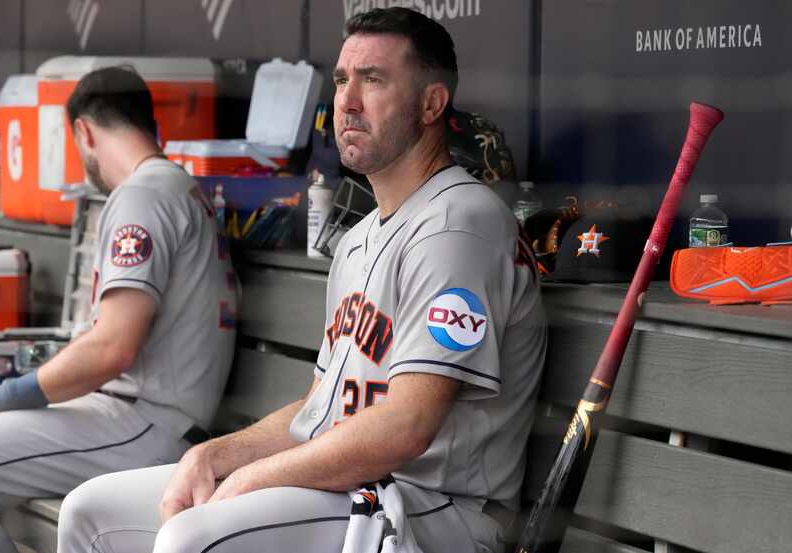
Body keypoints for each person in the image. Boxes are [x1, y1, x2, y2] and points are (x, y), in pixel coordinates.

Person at [57, 8, 546, 553]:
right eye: (342, 80)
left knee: (194, 538)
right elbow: (320, 411)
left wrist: (252, 479)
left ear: (432, 103)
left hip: (435, 507)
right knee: (90, 511)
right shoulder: (358, 240)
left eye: (374, 80)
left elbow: (408, 425)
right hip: (354, 489)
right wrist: (214, 456)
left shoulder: (459, 224)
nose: (348, 100)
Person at [0, 67, 238, 552]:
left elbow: (111, 349)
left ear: (83, 131)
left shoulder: (142, 194)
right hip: (138, 415)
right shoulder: (168, 187)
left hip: (144, 422)